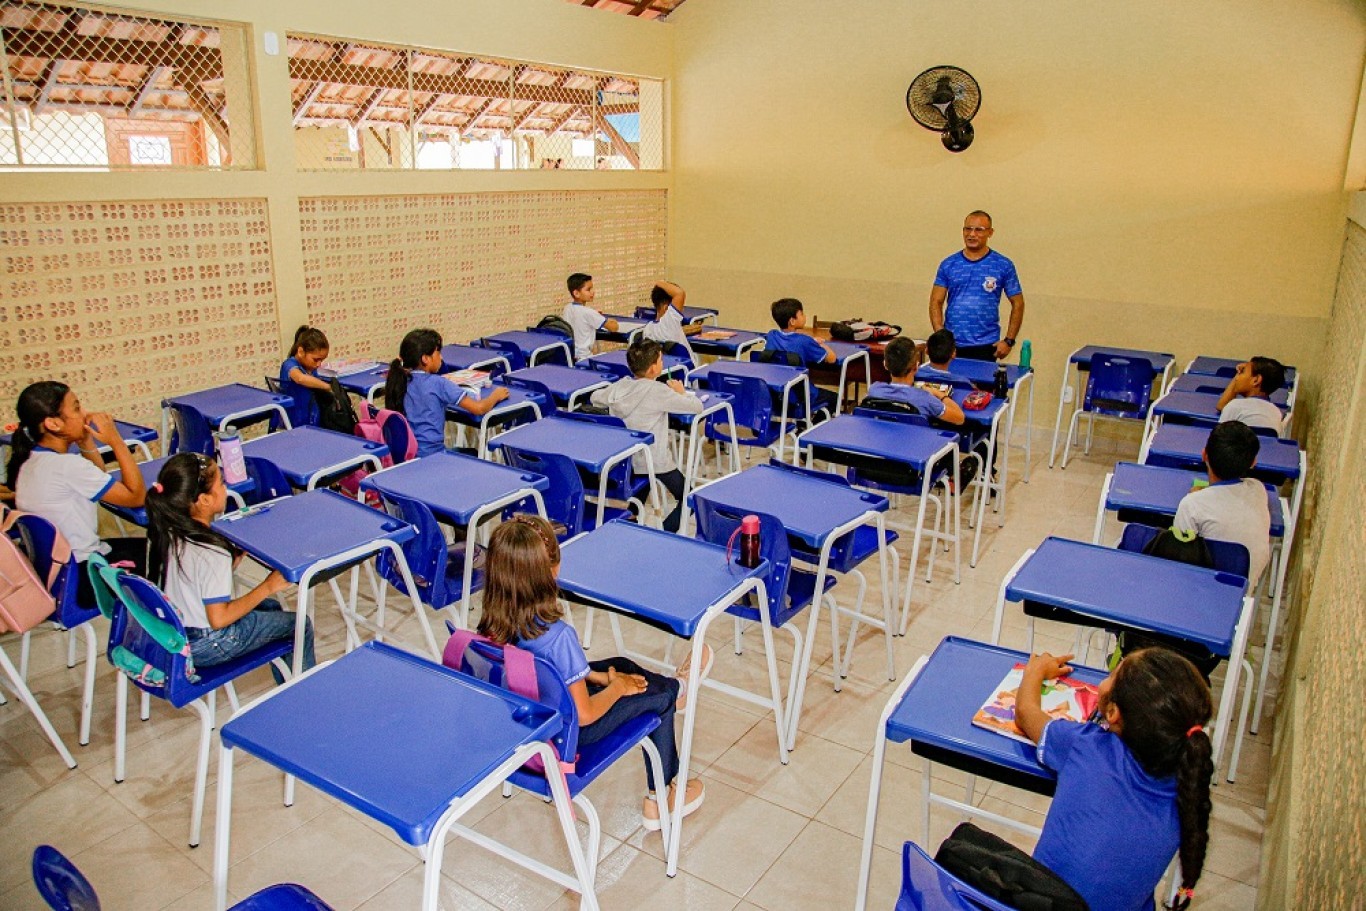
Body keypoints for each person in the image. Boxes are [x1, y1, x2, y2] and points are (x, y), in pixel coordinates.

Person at [477, 515, 711, 829]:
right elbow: (585, 715)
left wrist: (602, 677)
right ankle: (665, 793)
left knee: (622, 665)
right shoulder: (559, 636)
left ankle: (675, 690)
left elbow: (544, 672)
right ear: (552, 570)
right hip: (570, 735)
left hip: (533, 715)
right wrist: (616, 688)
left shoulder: (495, 620)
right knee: (659, 696)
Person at [1016, 648, 1214, 911]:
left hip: (1043, 902)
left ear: (1113, 714)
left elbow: (1025, 711)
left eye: (1114, 673)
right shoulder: (1190, 787)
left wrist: (1035, 671)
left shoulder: (1088, 746)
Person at [145, 452, 312, 683]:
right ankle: (304, 694)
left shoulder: (171, 532)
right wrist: (267, 586)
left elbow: (195, 580)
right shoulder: (212, 550)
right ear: (204, 499)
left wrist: (231, 565)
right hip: (209, 643)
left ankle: (288, 683)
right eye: (221, 484)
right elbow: (219, 619)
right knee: (300, 624)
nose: (226, 489)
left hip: (178, 633)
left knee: (272, 607)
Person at [9, 381, 147, 605]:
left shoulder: (30, 463)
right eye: (76, 408)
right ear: (53, 423)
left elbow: (97, 479)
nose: (84, 414)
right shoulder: (67, 467)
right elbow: (135, 496)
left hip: (57, 575)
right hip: (84, 580)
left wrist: (86, 441)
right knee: (167, 556)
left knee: (148, 547)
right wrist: (115, 441)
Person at [589, 339, 704, 533]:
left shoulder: (620, 386)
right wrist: (682, 392)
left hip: (626, 461)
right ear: (653, 369)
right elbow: (696, 407)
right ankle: (662, 532)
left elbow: (595, 398)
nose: (663, 363)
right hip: (655, 462)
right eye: (660, 360)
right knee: (689, 497)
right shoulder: (658, 391)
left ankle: (632, 522)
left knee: (642, 487)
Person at [1173, 420, 1271, 585]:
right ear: (1253, 462)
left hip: (1200, 590)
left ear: (1204, 455)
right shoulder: (1258, 489)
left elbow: (1177, 556)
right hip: (1243, 592)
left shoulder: (1192, 505)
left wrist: (1198, 495)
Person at [383, 328, 509, 458]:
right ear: (426, 359)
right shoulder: (438, 383)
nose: (441, 357)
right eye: (438, 352)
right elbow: (479, 408)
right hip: (433, 456)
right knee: (474, 454)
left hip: (408, 455)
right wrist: (496, 396)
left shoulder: (400, 381)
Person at [928, 210, 1025, 362]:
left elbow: (1018, 303)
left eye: (978, 230)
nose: (972, 234)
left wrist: (1009, 341)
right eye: (968, 229)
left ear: (990, 233)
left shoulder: (1003, 265)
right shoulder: (948, 264)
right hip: (953, 345)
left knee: (981, 387)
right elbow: (935, 301)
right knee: (951, 386)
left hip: (986, 346)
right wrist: (941, 337)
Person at [863, 337, 964, 425]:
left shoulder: (874, 391)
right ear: (916, 367)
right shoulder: (925, 398)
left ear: (885, 365)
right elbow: (959, 418)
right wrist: (938, 394)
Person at [279, 325, 332, 428]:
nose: (319, 364)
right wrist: (327, 387)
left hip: (312, 419)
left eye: (322, 360)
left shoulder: (311, 368)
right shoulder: (289, 365)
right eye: (316, 359)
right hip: (295, 422)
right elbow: (300, 378)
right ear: (301, 352)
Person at [1215, 356, 1286, 432]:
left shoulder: (1236, 406)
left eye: (1242, 372)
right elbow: (1222, 406)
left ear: (1256, 380)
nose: (1236, 378)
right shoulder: (1275, 411)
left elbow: (1218, 439)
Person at [640, 279, 701, 365]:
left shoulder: (647, 330)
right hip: (687, 374)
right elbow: (680, 293)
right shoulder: (670, 322)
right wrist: (659, 282)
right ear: (666, 308)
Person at [562, 273, 618, 361]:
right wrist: (603, 318)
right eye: (588, 289)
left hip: (571, 357)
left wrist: (595, 316)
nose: (593, 292)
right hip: (585, 358)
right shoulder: (588, 312)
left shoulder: (567, 308)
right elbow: (614, 328)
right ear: (576, 293)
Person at [763, 297, 834, 364]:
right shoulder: (805, 341)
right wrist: (822, 345)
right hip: (796, 376)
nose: (805, 316)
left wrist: (813, 341)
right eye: (802, 314)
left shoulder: (772, 335)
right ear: (792, 321)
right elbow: (831, 359)